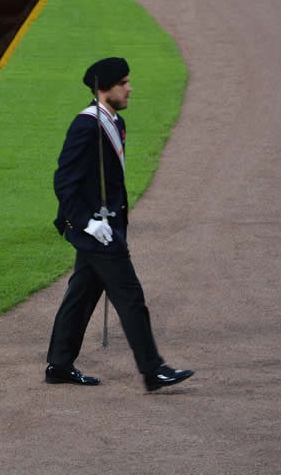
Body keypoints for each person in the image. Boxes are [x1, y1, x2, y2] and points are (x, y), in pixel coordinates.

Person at [46, 57, 193, 391]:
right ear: (103, 89)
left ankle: (59, 363)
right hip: (97, 231)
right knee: (131, 298)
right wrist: (85, 223)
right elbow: (64, 181)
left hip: (108, 226)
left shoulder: (116, 122)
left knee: (81, 295)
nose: (129, 88)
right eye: (122, 83)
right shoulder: (86, 125)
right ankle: (153, 370)